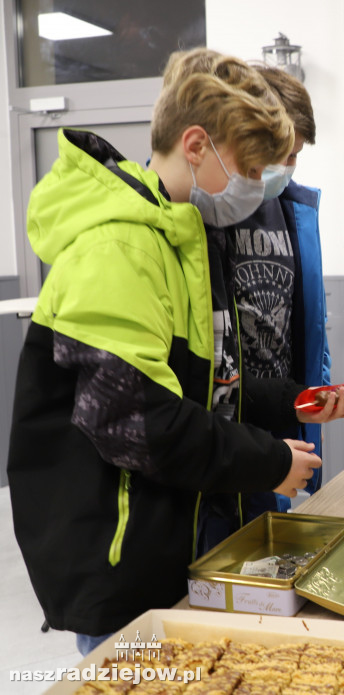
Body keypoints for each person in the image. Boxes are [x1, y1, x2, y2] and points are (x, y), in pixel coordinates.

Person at [6, 48, 320, 656]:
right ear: (197, 145)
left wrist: (290, 401)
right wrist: (268, 462)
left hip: (172, 536)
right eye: (252, 169)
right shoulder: (118, 249)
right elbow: (137, 424)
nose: (257, 189)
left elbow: (204, 385)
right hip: (119, 557)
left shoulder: (184, 236)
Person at [196, 64, 344, 552]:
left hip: (278, 434)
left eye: (294, 156)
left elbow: (304, 323)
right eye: (278, 155)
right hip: (219, 436)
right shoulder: (207, 210)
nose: (285, 168)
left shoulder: (293, 209)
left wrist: (313, 395)